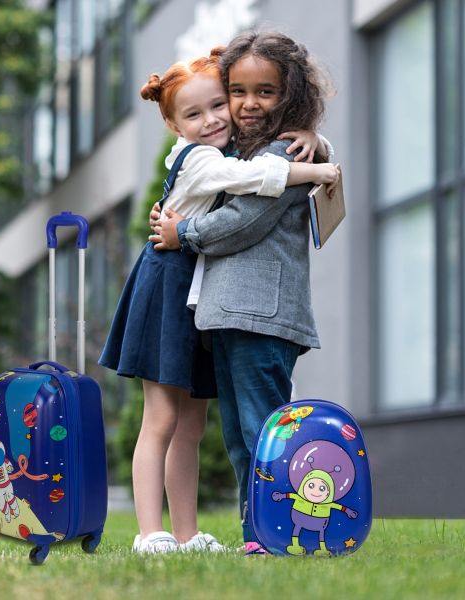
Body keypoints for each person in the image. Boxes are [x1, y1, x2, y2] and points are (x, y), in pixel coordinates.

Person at [99, 49, 337, 554]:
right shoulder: (205, 158)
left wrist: (314, 139)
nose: (215, 118)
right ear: (171, 123)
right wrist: (318, 170)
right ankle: (150, 532)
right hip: (170, 284)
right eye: (195, 113)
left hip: (196, 289)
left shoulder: (241, 149)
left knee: (192, 423)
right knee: (162, 419)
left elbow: (256, 176)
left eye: (216, 106)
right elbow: (248, 188)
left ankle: (188, 533)